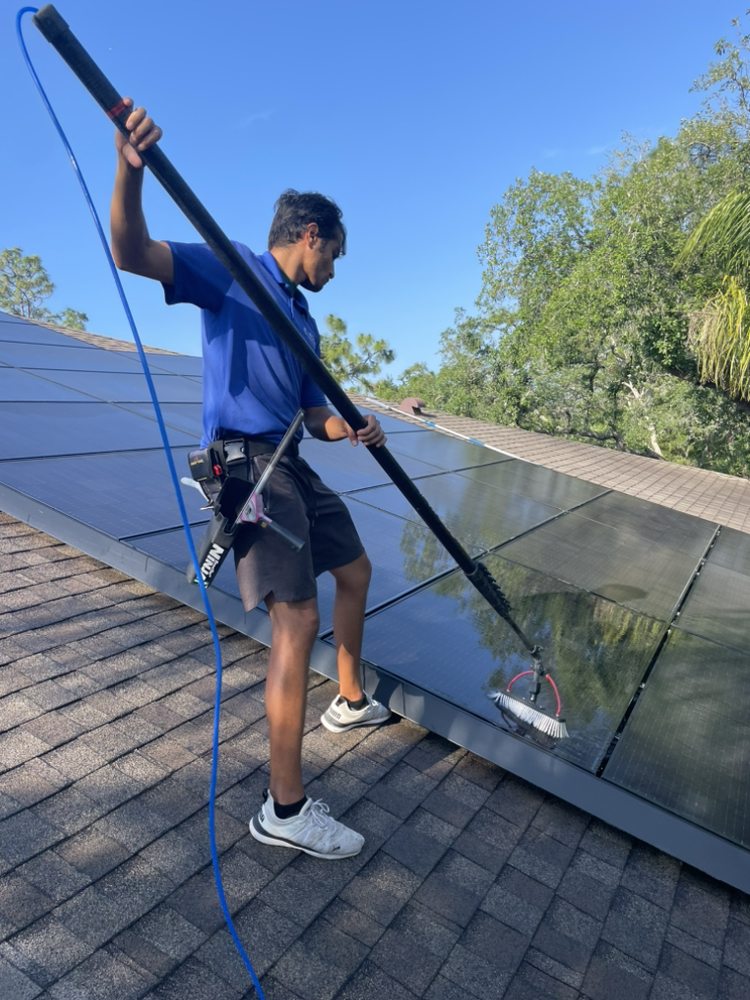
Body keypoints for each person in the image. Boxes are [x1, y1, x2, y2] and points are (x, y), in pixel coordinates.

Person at [110, 100, 390, 860]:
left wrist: (350, 425)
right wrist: (129, 173)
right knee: (296, 620)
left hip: (288, 460)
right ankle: (285, 808)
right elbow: (131, 253)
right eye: (335, 252)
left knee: (356, 572)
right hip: (240, 467)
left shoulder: (303, 320)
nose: (335, 266)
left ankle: (350, 700)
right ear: (312, 235)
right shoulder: (232, 269)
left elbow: (311, 410)